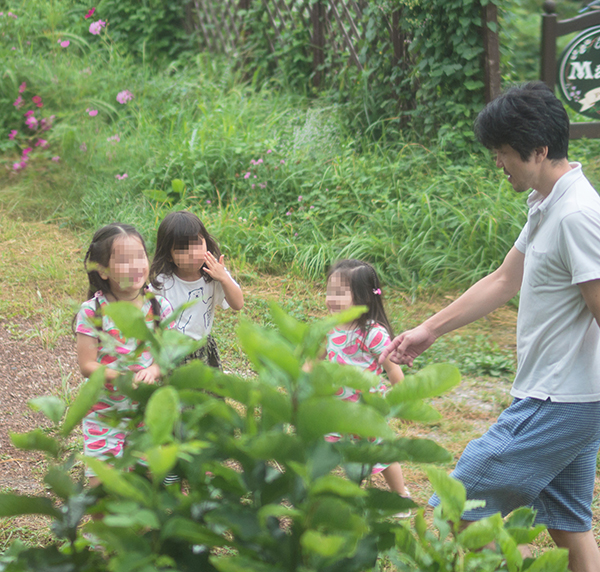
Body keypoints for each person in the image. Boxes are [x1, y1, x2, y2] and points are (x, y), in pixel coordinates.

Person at [380, 82, 600, 571]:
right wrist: (429, 330)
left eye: (503, 152)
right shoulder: (548, 203)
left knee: (458, 503)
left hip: (559, 399)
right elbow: (504, 279)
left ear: (539, 150)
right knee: (569, 524)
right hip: (563, 395)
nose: (498, 162)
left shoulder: (577, 215)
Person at [75, 223, 173, 490]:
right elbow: (87, 365)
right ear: (103, 271)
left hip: (146, 411)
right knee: (102, 491)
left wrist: (154, 370)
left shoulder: (159, 306)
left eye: (140, 256)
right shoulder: (93, 311)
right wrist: (120, 378)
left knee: (144, 490)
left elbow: (168, 353)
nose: (136, 265)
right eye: (125, 260)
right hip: (104, 412)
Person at [325, 259, 410, 516]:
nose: (332, 298)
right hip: (335, 407)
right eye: (330, 291)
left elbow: (392, 368)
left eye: (340, 293)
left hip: (366, 409)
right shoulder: (328, 328)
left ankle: (400, 496)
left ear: (363, 297)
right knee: (325, 445)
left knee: (379, 453)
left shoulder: (372, 332)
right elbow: (314, 360)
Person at [149, 211, 244, 369]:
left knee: (208, 391)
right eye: (182, 249)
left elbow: (238, 304)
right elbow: (146, 315)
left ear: (206, 242)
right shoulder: (163, 283)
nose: (192, 254)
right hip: (172, 352)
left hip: (203, 349)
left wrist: (224, 278)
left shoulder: (214, 276)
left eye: (197, 244)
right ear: (169, 255)